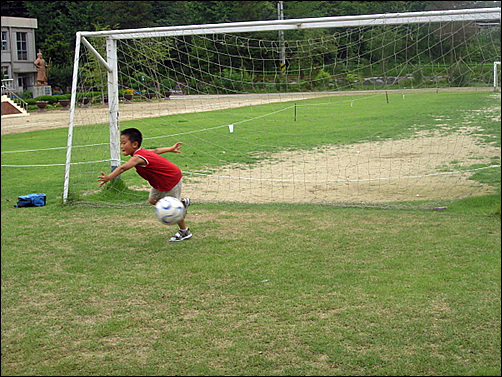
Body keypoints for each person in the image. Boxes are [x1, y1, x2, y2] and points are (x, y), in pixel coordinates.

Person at [97, 128, 192, 242]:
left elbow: (123, 168)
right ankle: (181, 205)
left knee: (172, 207)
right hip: (159, 182)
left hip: (170, 180)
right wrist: (170, 149)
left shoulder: (137, 157)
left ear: (134, 144)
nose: (121, 146)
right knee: (152, 200)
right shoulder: (141, 153)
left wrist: (109, 177)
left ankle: (184, 231)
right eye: (120, 143)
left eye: (124, 143)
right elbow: (156, 151)